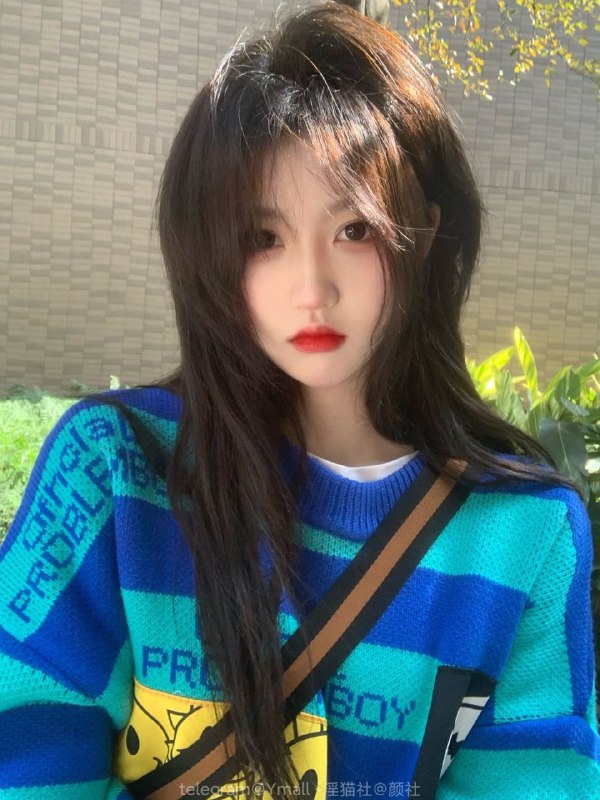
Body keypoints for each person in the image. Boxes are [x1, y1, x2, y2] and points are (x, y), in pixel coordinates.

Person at [0, 2, 598, 798]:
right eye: (264, 238)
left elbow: (535, 781)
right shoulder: (115, 474)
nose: (312, 288)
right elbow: (24, 750)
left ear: (425, 235)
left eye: (356, 230)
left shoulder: (523, 534)